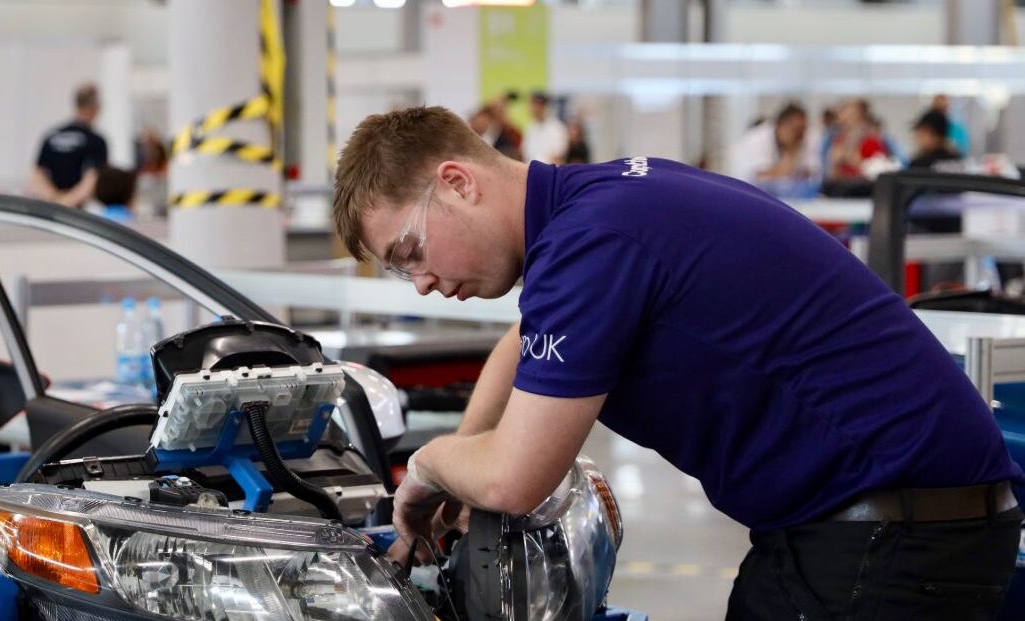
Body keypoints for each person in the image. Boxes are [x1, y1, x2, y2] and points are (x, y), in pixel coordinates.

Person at [331, 106, 1022, 620]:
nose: (420, 281)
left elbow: (515, 479)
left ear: (457, 182)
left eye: (410, 251)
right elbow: (524, 341)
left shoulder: (588, 242)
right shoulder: (599, 200)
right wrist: (465, 468)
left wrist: (428, 467)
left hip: (887, 542)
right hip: (897, 524)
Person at [33, 84, 108, 208]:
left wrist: (54, 198)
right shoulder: (95, 140)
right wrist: (68, 201)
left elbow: (37, 173)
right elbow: (93, 177)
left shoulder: (52, 135)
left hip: (53, 205)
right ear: (95, 108)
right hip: (76, 209)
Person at [729, 103, 820, 198]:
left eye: (803, 129)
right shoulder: (756, 140)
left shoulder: (806, 138)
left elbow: (811, 175)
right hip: (748, 194)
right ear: (780, 125)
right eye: (795, 129)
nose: (800, 135)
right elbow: (768, 177)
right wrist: (790, 152)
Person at [524, 91, 568, 165]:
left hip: (549, 173)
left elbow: (558, 157)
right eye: (533, 104)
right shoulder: (530, 127)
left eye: (539, 105)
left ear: (545, 106)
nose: (536, 108)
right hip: (530, 172)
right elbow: (525, 154)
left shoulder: (557, 127)